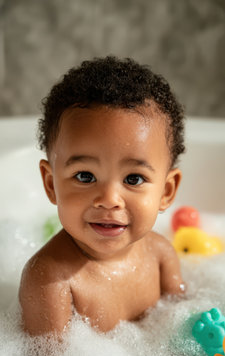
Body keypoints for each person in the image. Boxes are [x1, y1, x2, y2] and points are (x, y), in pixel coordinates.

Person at [19, 56, 186, 336]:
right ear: (50, 184)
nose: (109, 199)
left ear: (166, 192)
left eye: (133, 179)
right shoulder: (50, 280)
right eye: (85, 176)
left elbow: (185, 324)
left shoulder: (161, 255)